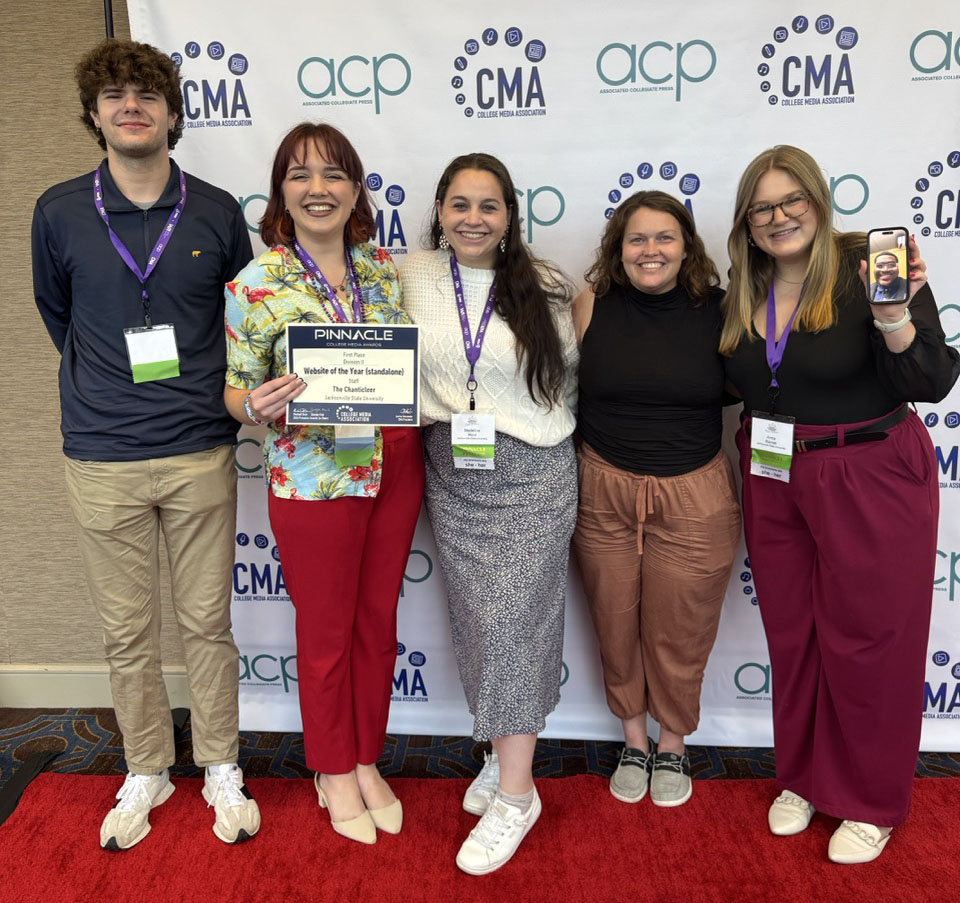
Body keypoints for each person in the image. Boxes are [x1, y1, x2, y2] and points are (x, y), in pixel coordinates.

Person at [31, 38, 260, 850]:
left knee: (207, 621)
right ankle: (146, 766)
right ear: (94, 115)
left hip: (199, 445)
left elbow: (244, 322)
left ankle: (223, 764)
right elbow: (59, 318)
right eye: (115, 95)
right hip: (99, 451)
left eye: (148, 94)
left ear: (172, 113)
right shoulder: (59, 210)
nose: (132, 105)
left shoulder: (217, 210)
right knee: (126, 631)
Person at [721, 145, 959, 864]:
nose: (778, 216)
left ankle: (869, 796)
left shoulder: (868, 267)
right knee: (796, 634)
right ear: (747, 223)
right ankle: (804, 776)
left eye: (792, 200)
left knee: (872, 641)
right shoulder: (745, 285)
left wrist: (895, 314)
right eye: (762, 207)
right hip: (770, 470)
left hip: (868, 471)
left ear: (819, 202)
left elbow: (931, 378)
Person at [224, 122, 423, 846]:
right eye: (301, 175)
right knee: (328, 631)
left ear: (355, 189)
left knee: (378, 625)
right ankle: (332, 767)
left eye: (334, 174)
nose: (318, 189)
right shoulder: (256, 285)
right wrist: (256, 406)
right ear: (281, 191)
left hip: (394, 461)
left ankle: (367, 754)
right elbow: (235, 394)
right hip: (311, 475)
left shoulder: (381, 270)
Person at [400, 153, 578, 875]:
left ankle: (516, 793)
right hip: (454, 470)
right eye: (460, 204)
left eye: (489, 205)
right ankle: (500, 751)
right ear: (440, 210)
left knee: (512, 625)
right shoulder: (405, 275)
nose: (474, 218)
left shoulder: (550, 285)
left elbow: (577, 376)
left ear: (510, 215)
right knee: (479, 624)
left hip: (534, 472)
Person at [571, 191, 741, 808]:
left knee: (681, 628)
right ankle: (633, 740)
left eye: (664, 238)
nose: (651, 251)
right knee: (615, 623)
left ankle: (673, 742)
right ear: (620, 248)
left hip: (693, 491)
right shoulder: (590, 306)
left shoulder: (722, 312)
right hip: (603, 487)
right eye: (637, 239)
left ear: (686, 246)